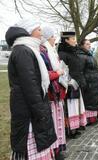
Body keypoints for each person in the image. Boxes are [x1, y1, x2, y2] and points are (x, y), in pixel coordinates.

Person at [6, 19, 56, 159]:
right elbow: (30, 85)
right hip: (27, 108)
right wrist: (40, 111)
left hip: (31, 106)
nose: (41, 33)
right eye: (39, 29)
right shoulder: (23, 51)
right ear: (30, 31)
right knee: (30, 143)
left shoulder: (28, 49)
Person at [41, 26, 67, 159]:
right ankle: (54, 150)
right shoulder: (43, 51)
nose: (54, 39)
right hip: (51, 92)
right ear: (47, 38)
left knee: (58, 121)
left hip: (57, 90)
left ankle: (59, 148)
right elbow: (44, 73)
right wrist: (58, 73)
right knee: (53, 123)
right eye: (52, 36)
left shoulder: (51, 50)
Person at [58, 31, 87, 138]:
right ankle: (70, 130)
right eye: (73, 39)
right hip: (69, 85)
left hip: (77, 83)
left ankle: (76, 127)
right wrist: (70, 82)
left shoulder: (74, 52)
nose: (75, 41)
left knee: (77, 106)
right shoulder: (62, 53)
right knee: (70, 108)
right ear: (66, 40)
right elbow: (62, 70)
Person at [78, 39, 98, 124]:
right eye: (87, 44)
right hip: (88, 82)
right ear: (82, 45)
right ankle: (89, 119)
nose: (89, 45)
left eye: (90, 44)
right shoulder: (81, 56)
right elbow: (80, 71)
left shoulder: (89, 55)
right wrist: (84, 83)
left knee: (94, 100)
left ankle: (94, 118)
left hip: (94, 81)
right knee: (89, 101)